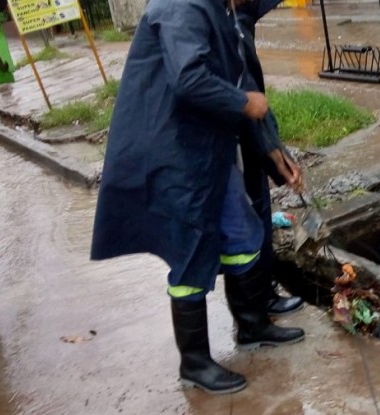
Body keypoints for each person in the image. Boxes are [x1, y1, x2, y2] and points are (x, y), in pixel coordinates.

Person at [91, 0, 305, 395]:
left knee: (242, 231)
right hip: (173, 151)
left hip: (206, 148)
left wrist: (273, 149)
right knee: (190, 245)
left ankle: (252, 323)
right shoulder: (181, 7)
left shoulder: (221, 9)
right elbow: (190, 79)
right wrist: (245, 104)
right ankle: (194, 362)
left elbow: (238, 78)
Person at [233, 0, 306, 317]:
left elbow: (254, 99)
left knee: (256, 211)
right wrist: (274, 152)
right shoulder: (218, 21)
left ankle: (260, 300)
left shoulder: (239, 15)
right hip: (230, 139)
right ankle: (256, 307)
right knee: (246, 220)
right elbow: (246, 98)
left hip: (241, 131)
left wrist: (276, 151)